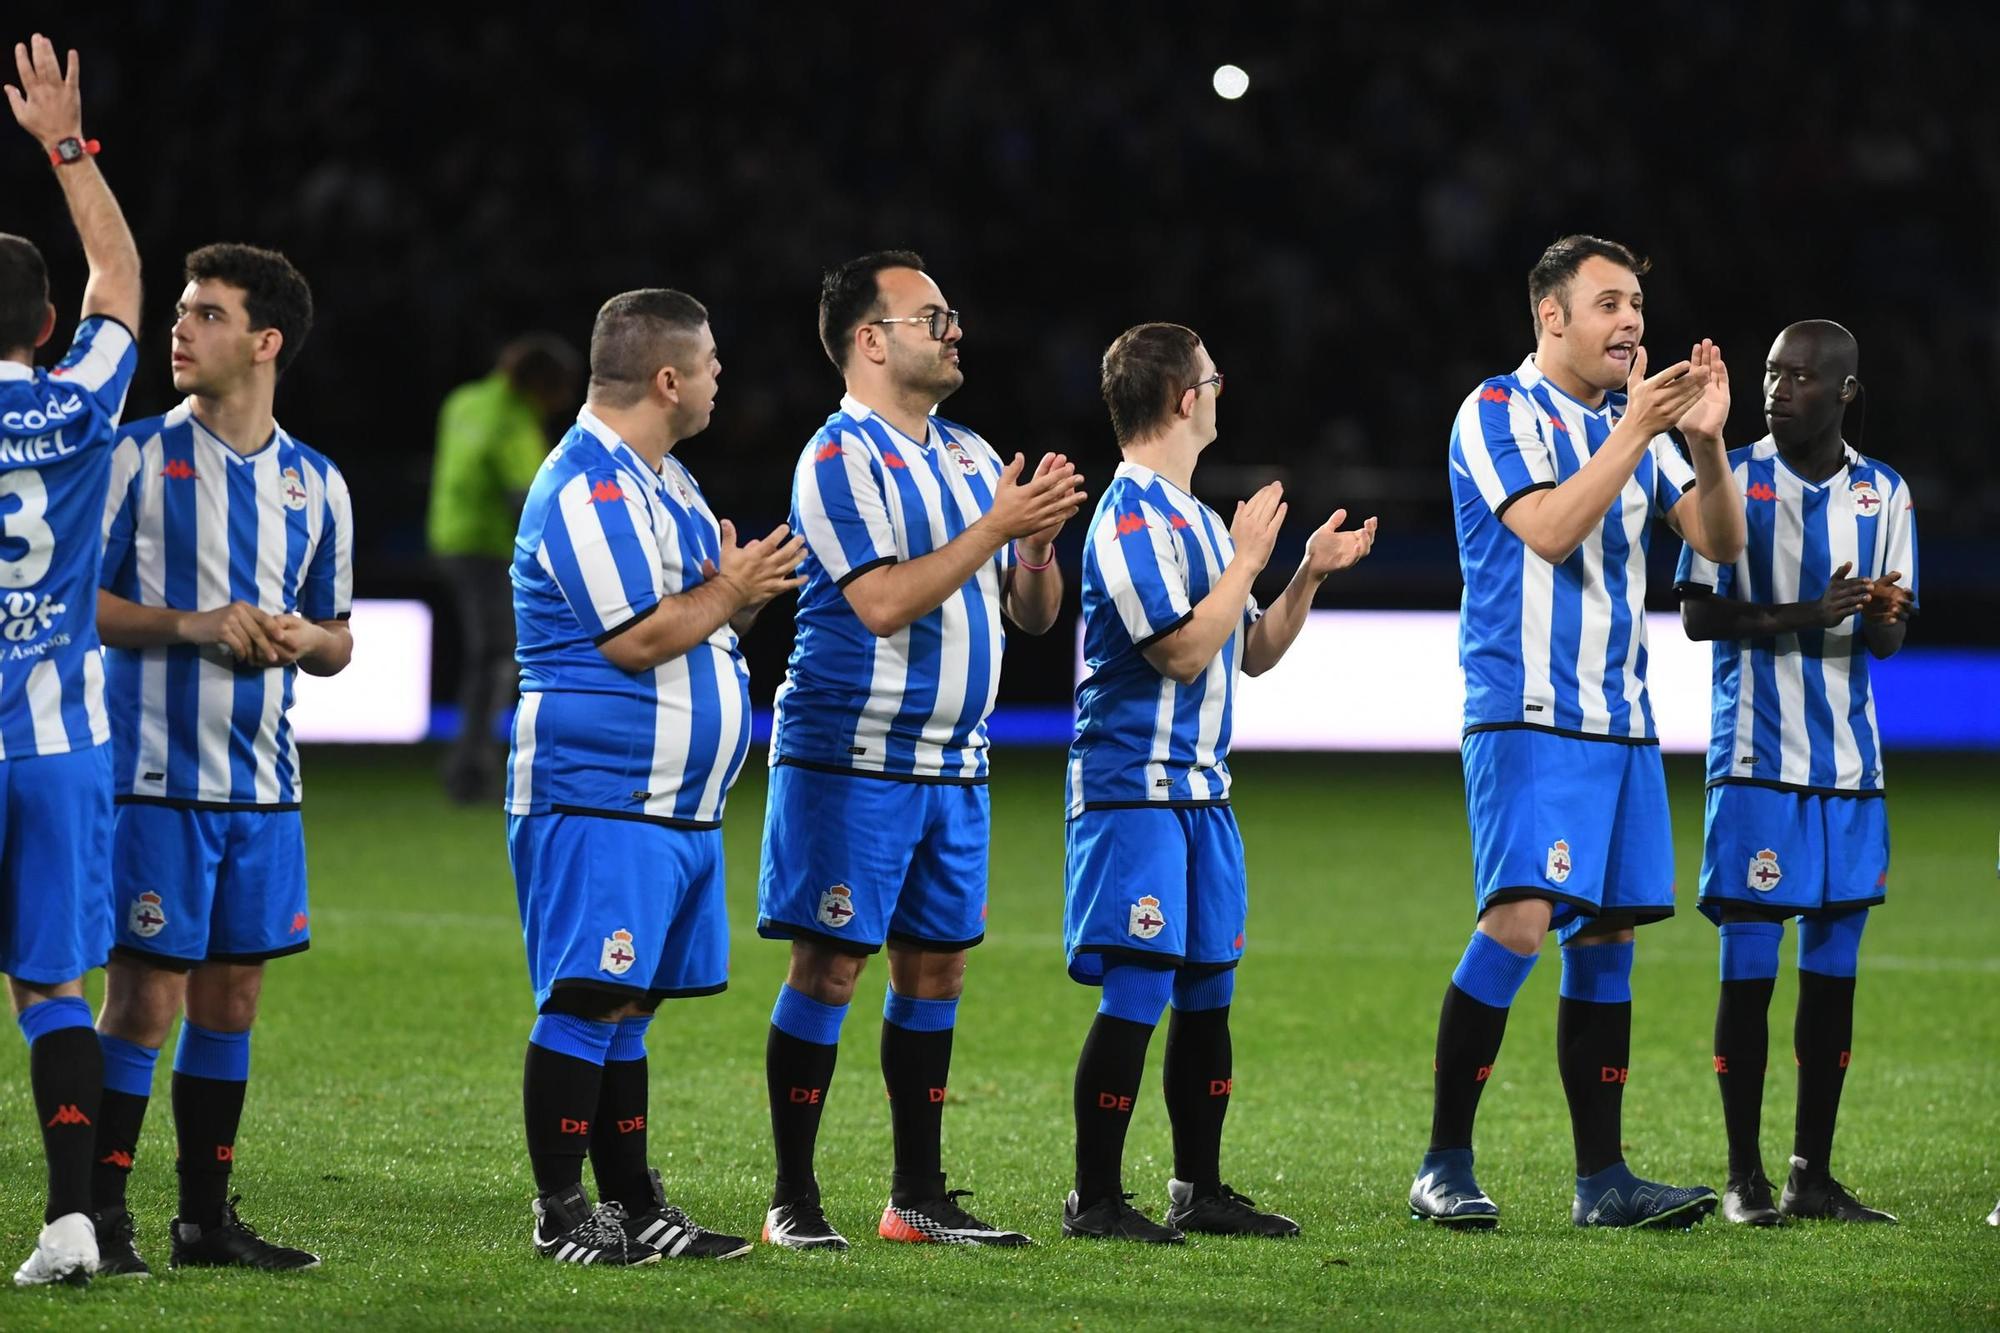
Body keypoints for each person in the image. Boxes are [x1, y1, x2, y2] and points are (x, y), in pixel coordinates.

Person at [1410, 234, 1745, 1230]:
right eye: (1606, 302)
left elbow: (1718, 542)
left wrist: (1706, 440)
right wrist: (1636, 429)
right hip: (1525, 712)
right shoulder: (1496, 411)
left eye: (1635, 302)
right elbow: (1549, 529)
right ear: (1549, 315)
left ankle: (1601, 1178)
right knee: (1518, 919)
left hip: (1621, 720)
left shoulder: (1623, 428)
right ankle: (1441, 1163)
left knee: (1605, 941)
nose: (1630, 320)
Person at [756, 250, 1084, 1251]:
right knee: (831, 967)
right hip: (850, 756)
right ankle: (793, 1200)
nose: (953, 331)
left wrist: (1030, 547)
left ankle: (916, 1197)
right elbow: (882, 601)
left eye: (950, 316)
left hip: (953, 761)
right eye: (929, 317)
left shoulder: (972, 453)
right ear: (869, 340)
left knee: (935, 971)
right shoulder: (836, 459)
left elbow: (1032, 615)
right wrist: (996, 525)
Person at [507, 288, 804, 1265]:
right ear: (667, 377)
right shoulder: (586, 485)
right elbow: (634, 639)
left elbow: (693, 621)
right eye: (711, 362)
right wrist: (730, 589)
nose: (722, 378)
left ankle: (634, 1204)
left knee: (630, 1004)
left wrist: (733, 597)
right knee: (589, 997)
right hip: (599, 793)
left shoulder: (664, 480)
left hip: (672, 803)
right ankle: (560, 1212)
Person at [1061, 324, 1375, 1243]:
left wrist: (1307, 574)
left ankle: (1198, 1186)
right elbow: (1181, 649)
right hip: (1133, 792)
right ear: (1183, 398)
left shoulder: (1195, 520)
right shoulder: (1126, 519)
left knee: (1207, 986)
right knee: (1140, 986)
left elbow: (1248, 652)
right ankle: (1095, 1197)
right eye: (1211, 377)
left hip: (1201, 794)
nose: (1219, 389)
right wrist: (1245, 561)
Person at [90, 242, 350, 1275]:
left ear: (264, 341)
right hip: (154, 776)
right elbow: (75, 606)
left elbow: (338, 637)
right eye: (181, 311)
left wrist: (304, 640)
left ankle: (204, 1220)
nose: (179, 328)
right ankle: (98, 1215)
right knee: (145, 999)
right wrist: (192, 624)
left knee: (231, 999)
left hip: (264, 786)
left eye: (205, 313)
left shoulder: (317, 485)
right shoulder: (133, 460)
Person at [1677, 320, 1914, 1226]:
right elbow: (1699, 618)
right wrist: (1807, 613)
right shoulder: (1729, 477)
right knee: (1750, 969)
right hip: (1756, 761)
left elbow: (1890, 638)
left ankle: (1811, 1173)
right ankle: (1742, 1176)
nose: (1782, 388)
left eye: (1804, 377)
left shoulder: (1884, 492)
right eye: (1775, 372)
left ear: (1845, 391)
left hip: (1851, 770)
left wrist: (1882, 611)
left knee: (1833, 973)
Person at [1, 32, 141, 1288]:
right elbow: (120, 273)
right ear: (46, 325)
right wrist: (64, 144)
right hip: (55, 747)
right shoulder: (80, 394)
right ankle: (71, 1221)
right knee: (52, 985)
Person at [428, 334, 581, 802]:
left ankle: (471, 764)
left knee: (487, 654)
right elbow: (526, 497)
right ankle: (471, 770)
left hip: (448, 537)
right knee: (497, 656)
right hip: (491, 547)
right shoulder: (514, 419)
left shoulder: (464, 400)